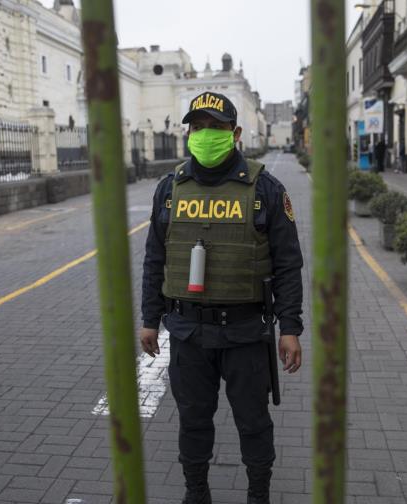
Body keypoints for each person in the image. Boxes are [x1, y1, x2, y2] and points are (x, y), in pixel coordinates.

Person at [139, 91, 304, 504]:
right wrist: (149, 318)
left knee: (253, 422)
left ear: (236, 133)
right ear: (188, 133)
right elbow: (155, 257)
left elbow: (288, 263)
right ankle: (197, 494)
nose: (206, 134)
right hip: (188, 332)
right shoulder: (170, 189)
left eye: (216, 126)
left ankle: (258, 496)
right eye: (198, 127)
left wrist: (291, 328)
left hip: (247, 332)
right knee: (193, 421)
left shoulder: (265, 187)